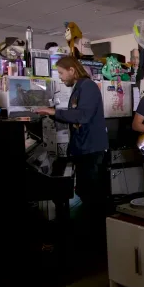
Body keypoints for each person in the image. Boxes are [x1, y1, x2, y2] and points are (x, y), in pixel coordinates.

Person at [34, 56, 108, 250]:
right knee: (84, 191)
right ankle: (86, 235)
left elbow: (82, 116)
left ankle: (95, 240)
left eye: (61, 73)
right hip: (82, 148)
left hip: (91, 148)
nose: (60, 77)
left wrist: (52, 111)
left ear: (72, 70)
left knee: (91, 194)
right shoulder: (78, 88)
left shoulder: (88, 86)